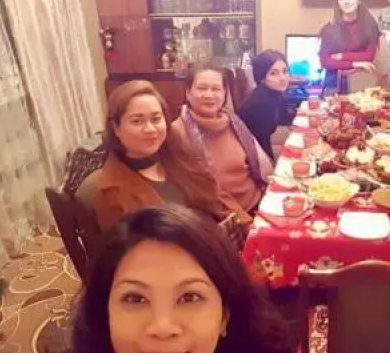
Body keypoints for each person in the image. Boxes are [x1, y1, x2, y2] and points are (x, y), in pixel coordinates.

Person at [0, 205, 299, 353]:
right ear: (105, 314)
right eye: (135, 299)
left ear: (225, 316)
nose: (162, 326)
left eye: (189, 297)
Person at [77, 80, 249, 230]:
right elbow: (129, 251)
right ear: (116, 128)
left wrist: (250, 228)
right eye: (137, 121)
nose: (150, 129)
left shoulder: (178, 154)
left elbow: (218, 197)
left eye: (156, 119)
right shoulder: (110, 194)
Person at [172, 64, 274, 213]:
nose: (209, 95)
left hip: (258, 203)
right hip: (219, 216)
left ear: (225, 94)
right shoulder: (176, 133)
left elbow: (260, 167)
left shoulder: (234, 122)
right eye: (202, 88)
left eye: (216, 89)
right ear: (188, 93)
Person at [319, 0, 381, 92]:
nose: (347, 1)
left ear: (359, 0)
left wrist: (342, 56)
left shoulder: (370, 26)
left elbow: (368, 56)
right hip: (333, 84)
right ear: (338, 4)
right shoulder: (329, 29)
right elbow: (325, 61)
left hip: (361, 84)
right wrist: (354, 63)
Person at [239, 50, 291, 158]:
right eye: (273, 73)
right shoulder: (262, 103)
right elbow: (260, 144)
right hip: (248, 154)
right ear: (261, 78)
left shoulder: (274, 93)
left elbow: (285, 120)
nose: (282, 78)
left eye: (285, 71)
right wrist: (272, 165)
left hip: (258, 147)